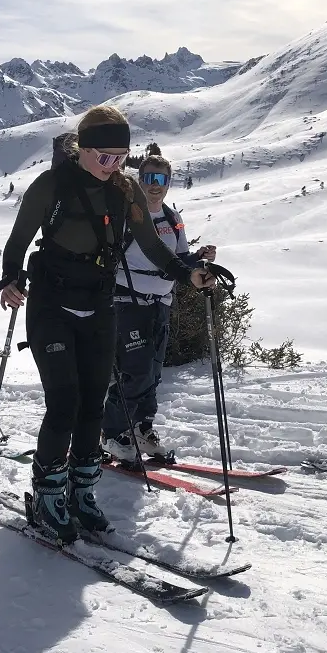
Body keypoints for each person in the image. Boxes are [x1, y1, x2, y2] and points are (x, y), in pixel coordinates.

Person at [0, 105, 216, 542]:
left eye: (121, 155)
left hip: (99, 302)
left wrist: (186, 274)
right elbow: (18, 242)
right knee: (64, 404)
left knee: (93, 406)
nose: (112, 163)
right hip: (52, 303)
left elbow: (154, 246)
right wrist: (11, 279)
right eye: (104, 154)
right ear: (83, 147)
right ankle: (47, 495)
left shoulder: (127, 191)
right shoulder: (51, 185)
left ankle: (81, 494)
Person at [102, 150, 216, 463]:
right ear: (139, 180)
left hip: (161, 303)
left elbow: (178, 260)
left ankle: (142, 429)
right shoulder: (129, 215)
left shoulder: (172, 218)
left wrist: (199, 259)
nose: (155, 185)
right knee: (134, 372)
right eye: (149, 178)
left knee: (152, 372)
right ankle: (112, 434)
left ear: (168, 183)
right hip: (128, 301)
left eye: (161, 179)